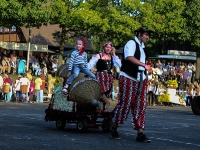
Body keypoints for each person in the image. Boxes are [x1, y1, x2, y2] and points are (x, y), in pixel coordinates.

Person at [110, 26, 153, 142]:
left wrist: (145, 70)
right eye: (146, 34)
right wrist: (144, 65)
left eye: (148, 35)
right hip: (128, 77)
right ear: (139, 34)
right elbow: (129, 57)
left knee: (140, 105)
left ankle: (140, 133)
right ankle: (114, 127)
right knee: (125, 103)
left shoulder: (142, 48)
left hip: (140, 78)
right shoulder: (131, 43)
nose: (147, 37)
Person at [88, 42, 121, 111]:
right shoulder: (99, 55)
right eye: (107, 47)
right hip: (100, 76)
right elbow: (90, 64)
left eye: (110, 47)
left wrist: (114, 54)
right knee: (101, 91)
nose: (108, 49)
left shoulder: (112, 57)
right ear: (104, 47)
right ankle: (107, 103)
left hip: (108, 77)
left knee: (106, 93)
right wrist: (86, 70)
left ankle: (102, 107)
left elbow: (119, 65)